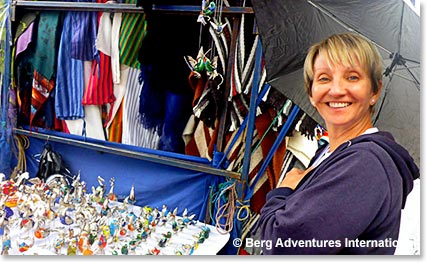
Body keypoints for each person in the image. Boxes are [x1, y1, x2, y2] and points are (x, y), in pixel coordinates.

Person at [258, 32, 419, 255]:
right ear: (311, 94)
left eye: (352, 77)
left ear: (375, 92)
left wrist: (282, 191)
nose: (336, 90)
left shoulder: (365, 163)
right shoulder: (333, 153)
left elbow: (279, 246)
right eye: (324, 78)